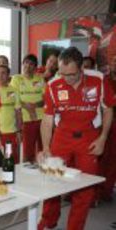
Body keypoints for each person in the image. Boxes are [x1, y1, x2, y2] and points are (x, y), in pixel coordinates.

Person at [38, 47, 115, 230]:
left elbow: (108, 109)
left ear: (81, 69)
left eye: (71, 75)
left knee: (85, 188)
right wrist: (46, 147)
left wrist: (103, 138)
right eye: (62, 73)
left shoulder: (98, 80)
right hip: (61, 137)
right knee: (52, 181)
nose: (66, 79)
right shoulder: (53, 85)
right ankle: (48, 221)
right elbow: (47, 121)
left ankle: (75, 227)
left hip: (88, 139)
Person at [11, 54, 44, 162]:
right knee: (28, 152)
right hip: (26, 120)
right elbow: (13, 98)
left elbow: (47, 98)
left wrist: (35, 105)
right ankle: (27, 175)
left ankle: (43, 173)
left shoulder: (40, 79)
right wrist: (28, 107)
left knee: (43, 150)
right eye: (26, 63)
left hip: (41, 119)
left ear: (35, 67)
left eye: (31, 64)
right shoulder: (16, 79)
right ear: (22, 64)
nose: (28, 66)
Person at [0, 64, 21, 163]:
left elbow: (18, 112)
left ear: (8, 75)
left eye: (3, 73)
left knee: (11, 161)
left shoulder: (14, 90)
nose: (0, 76)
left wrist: (19, 131)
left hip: (11, 133)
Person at [99, 54, 116, 201]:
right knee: (102, 158)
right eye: (114, 61)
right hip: (104, 124)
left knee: (113, 160)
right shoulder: (103, 80)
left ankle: (107, 191)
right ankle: (99, 191)